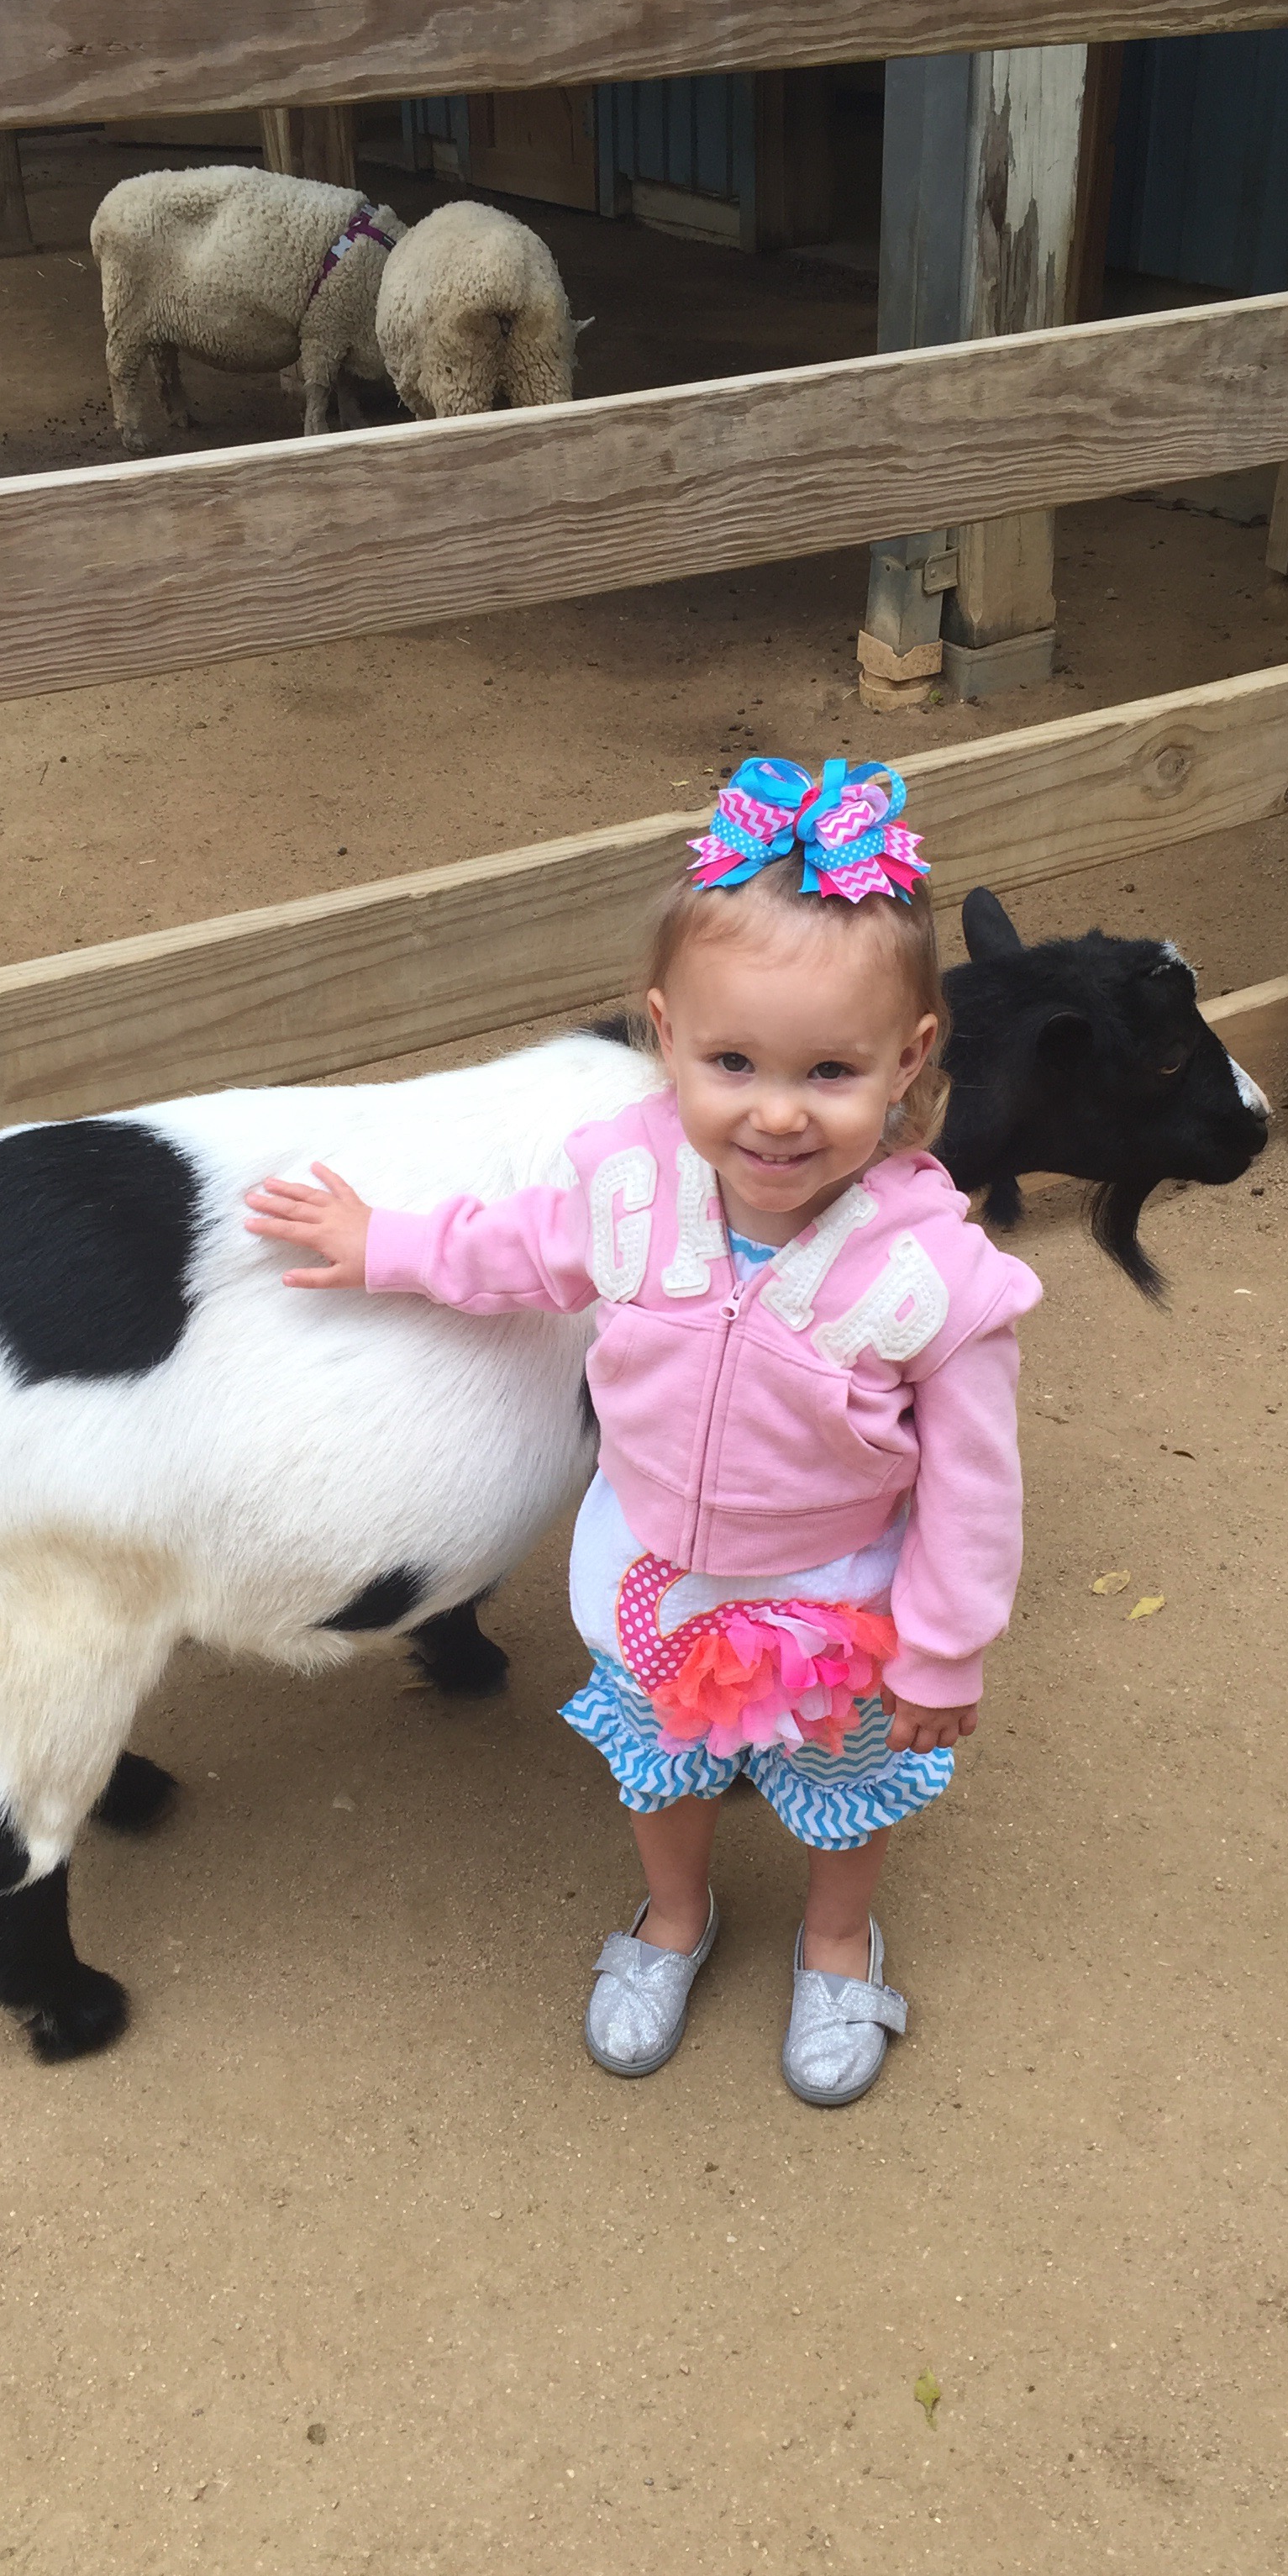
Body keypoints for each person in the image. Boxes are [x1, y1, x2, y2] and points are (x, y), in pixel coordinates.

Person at [244, 756, 1040, 2105]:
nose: (775, 1111)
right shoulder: (630, 1187)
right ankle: (675, 1915)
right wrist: (387, 1243)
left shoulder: (937, 1279)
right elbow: (519, 1250)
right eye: (732, 1062)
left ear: (908, 1060)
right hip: (652, 1579)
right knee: (662, 1768)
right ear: (666, 1037)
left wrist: (946, 1647)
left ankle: (837, 1940)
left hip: (837, 1606)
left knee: (847, 1786)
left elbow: (976, 1489)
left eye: (830, 1071)